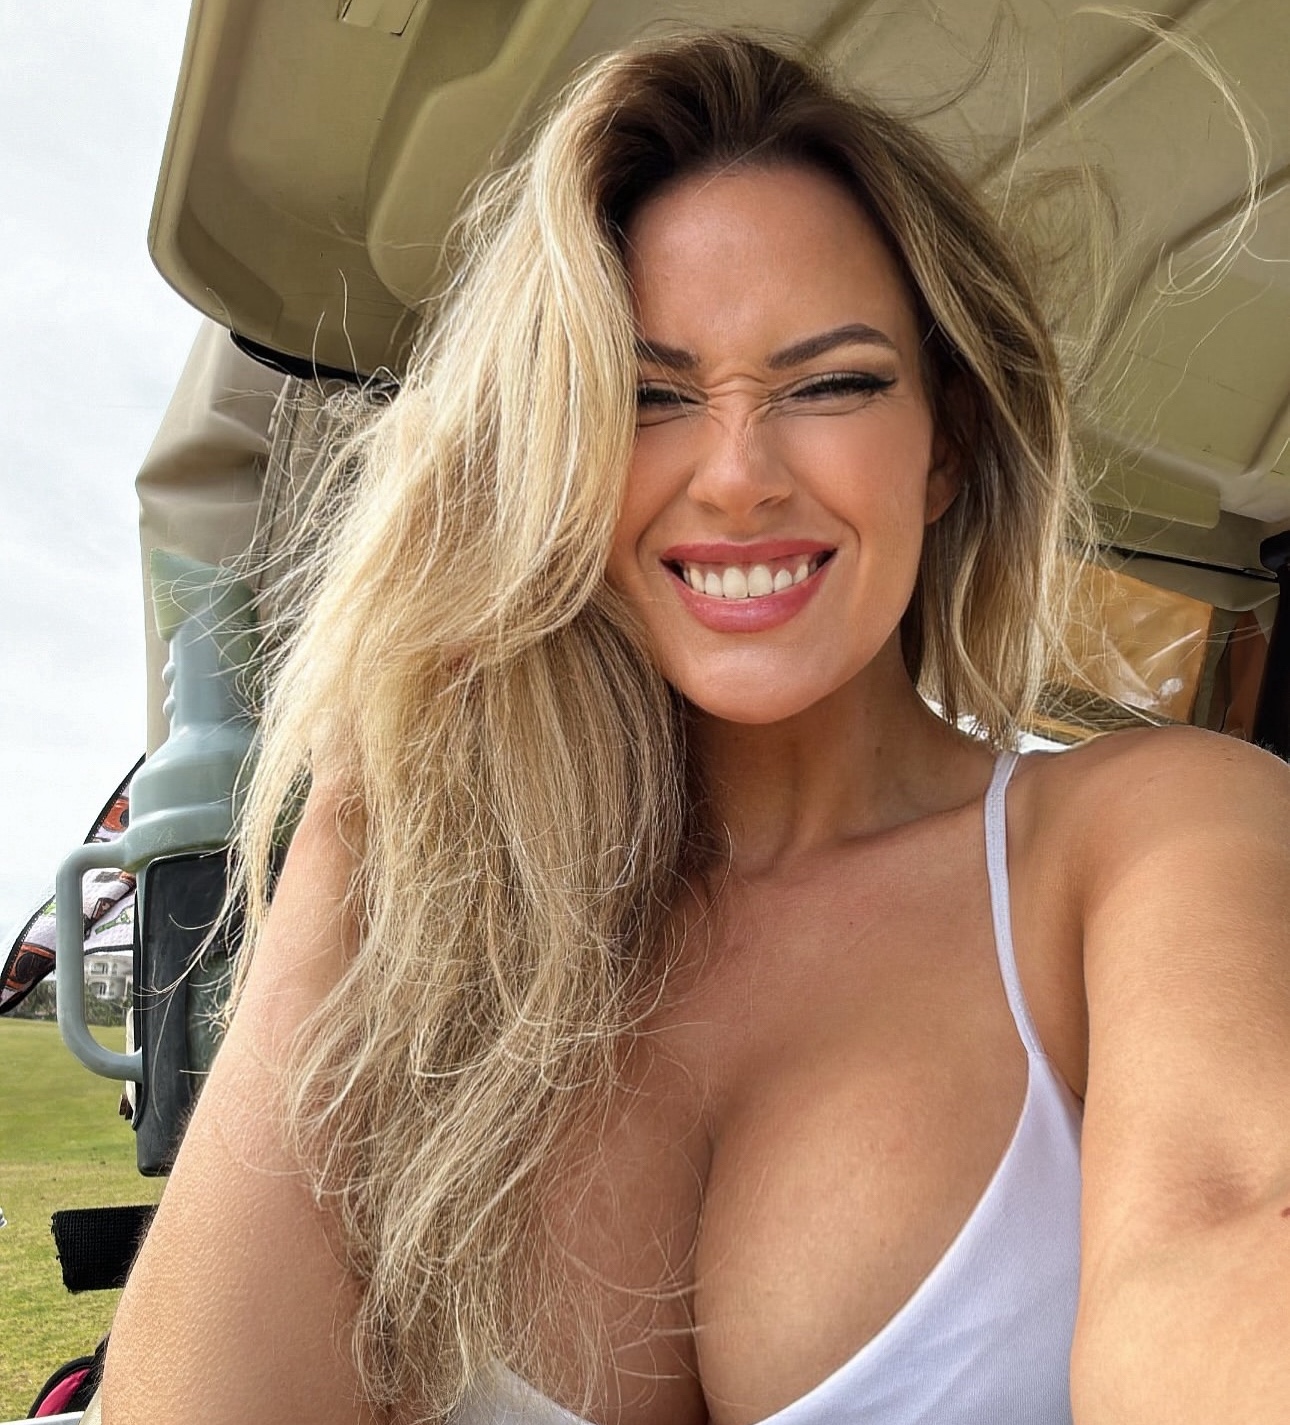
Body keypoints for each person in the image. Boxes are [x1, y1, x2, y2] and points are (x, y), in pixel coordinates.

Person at [100, 30, 1290, 1425]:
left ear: (947, 445)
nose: (735, 476)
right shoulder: (451, 936)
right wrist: (371, 772)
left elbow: (1228, 1227)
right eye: (645, 396)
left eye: (831, 383)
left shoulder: (1142, 834)